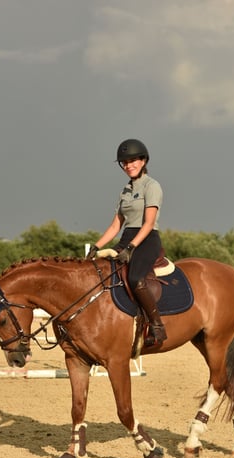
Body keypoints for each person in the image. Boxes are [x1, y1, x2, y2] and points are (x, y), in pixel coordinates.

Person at [86, 138, 167, 346]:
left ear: (143, 160)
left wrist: (131, 248)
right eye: (125, 162)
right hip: (126, 238)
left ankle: (156, 325)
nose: (129, 165)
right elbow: (115, 226)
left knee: (135, 278)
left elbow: (148, 223)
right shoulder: (125, 191)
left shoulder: (152, 186)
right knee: (100, 273)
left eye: (133, 160)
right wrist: (96, 246)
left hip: (146, 239)